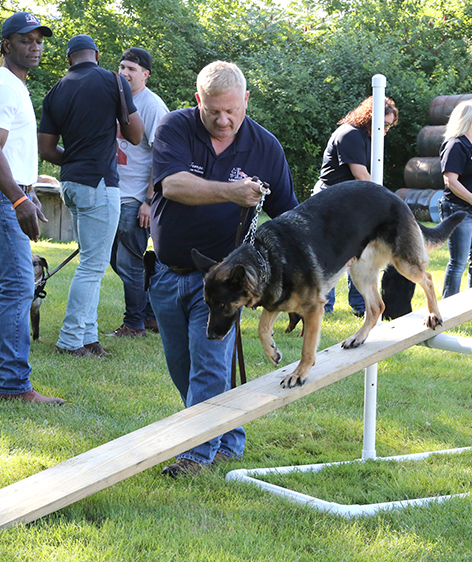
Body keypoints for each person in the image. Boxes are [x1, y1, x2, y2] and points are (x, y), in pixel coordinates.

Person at [149, 61, 298, 477]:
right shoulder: (175, 128)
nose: (224, 119)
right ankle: (228, 439)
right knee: (182, 366)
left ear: (246, 100)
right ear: (199, 100)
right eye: (213, 110)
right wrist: (233, 193)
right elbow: (174, 185)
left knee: (210, 367)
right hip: (165, 273)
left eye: (232, 110)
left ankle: (195, 456)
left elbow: (288, 214)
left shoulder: (265, 147)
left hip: (222, 281)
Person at [0, 11, 63, 404]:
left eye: (39, 40)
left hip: (2, 194)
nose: (34, 46)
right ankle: (12, 384)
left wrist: (28, 189)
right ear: (6, 45)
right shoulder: (4, 86)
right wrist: (18, 198)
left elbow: (10, 151)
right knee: (20, 287)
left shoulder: (13, 85)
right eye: (25, 40)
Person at [38, 35, 144, 357]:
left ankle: (90, 338)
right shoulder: (113, 81)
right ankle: (71, 340)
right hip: (100, 184)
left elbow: (45, 148)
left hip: (69, 184)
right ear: (96, 55)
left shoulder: (55, 91)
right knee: (92, 267)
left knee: (91, 262)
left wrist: (73, 161)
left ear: (69, 59)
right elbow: (136, 136)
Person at [316, 96, 398, 315]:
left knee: (361, 250)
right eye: (384, 124)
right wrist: (386, 202)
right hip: (331, 200)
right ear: (370, 117)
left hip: (352, 201)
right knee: (331, 253)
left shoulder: (368, 137)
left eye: (389, 127)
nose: (385, 130)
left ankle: (360, 306)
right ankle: (324, 305)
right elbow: (361, 175)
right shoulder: (350, 134)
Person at [109, 47, 169, 338]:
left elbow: (162, 155)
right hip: (111, 195)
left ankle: (134, 323)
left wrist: (149, 200)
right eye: (122, 67)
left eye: (132, 69)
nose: (125, 73)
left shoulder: (152, 105)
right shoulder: (114, 99)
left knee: (128, 261)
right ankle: (149, 314)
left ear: (145, 74)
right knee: (112, 259)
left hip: (136, 198)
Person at [438, 98, 472, 298]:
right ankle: (448, 306)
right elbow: (450, 180)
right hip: (460, 210)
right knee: (458, 262)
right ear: (470, 120)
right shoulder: (455, 145)